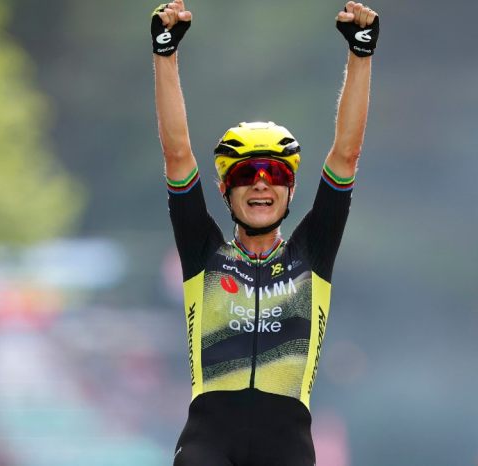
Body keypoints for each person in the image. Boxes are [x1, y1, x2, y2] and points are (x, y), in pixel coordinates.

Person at [151, 1, 378, 464]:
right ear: (224, 189)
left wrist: (361, 55)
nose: (259, 183)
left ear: (290, 189)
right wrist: (165, 54)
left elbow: (346, 154)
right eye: (244, 174)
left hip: (286, 443)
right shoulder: (204, 253)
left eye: (274, 173)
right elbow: (177, 155)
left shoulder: (312, 254)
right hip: (208, 441)